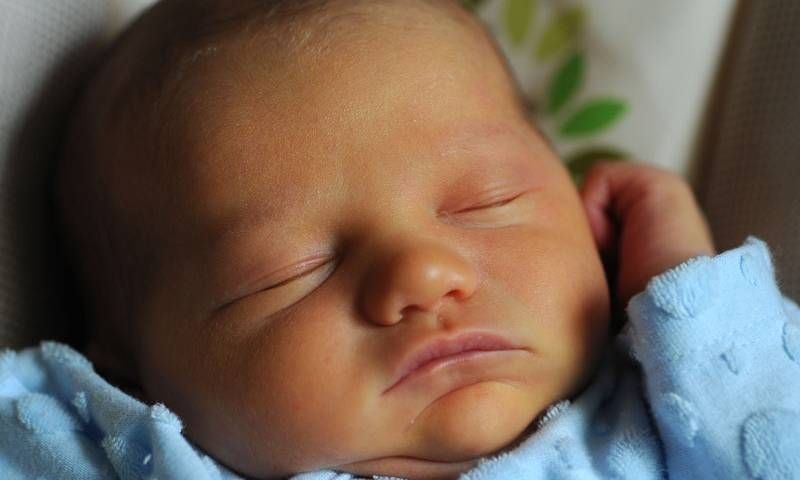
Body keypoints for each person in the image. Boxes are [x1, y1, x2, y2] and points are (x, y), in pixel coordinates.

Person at [1, 1, 798, 479]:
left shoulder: (677, 411)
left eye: (487, 202)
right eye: (289, 271)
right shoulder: (113, 451)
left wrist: (689, 297)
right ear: (126, 366)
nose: (422, 271)